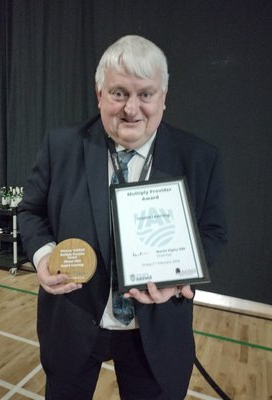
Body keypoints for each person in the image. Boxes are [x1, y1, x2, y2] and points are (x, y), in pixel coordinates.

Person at [18, 35, 227, 400]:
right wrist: (43, 256)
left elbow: (212, 231)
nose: (132, 109)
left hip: (157, 330)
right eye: (118, 93)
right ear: (99, 95)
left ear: (163, 97)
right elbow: (31, 212)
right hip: (74, 319)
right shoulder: (61, 146)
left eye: (145, 94)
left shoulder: (198, 158)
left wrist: (181, 275)